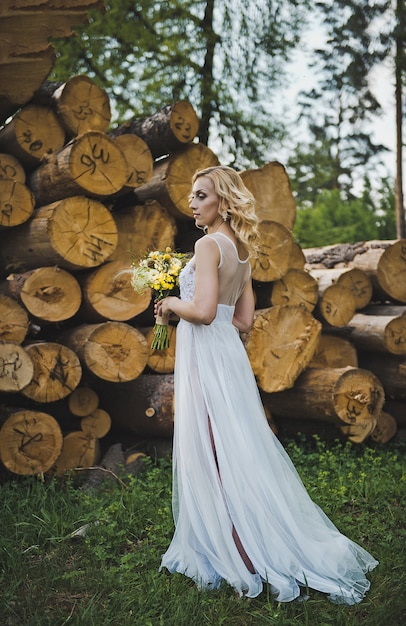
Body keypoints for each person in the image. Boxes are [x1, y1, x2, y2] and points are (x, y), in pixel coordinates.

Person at [155, 165, 378, 603]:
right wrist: (203, 313)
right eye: (192, 196)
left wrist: (169, 304)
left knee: (213, 445)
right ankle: (244, 534)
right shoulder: (240, 252)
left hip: (206, 352)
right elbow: (242, 320)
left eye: (201, 195)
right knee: (235, 444)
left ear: (222, 201)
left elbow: (200, 311)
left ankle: (236, 547)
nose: (193, 203)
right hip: (227, 354)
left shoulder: (205, 245)